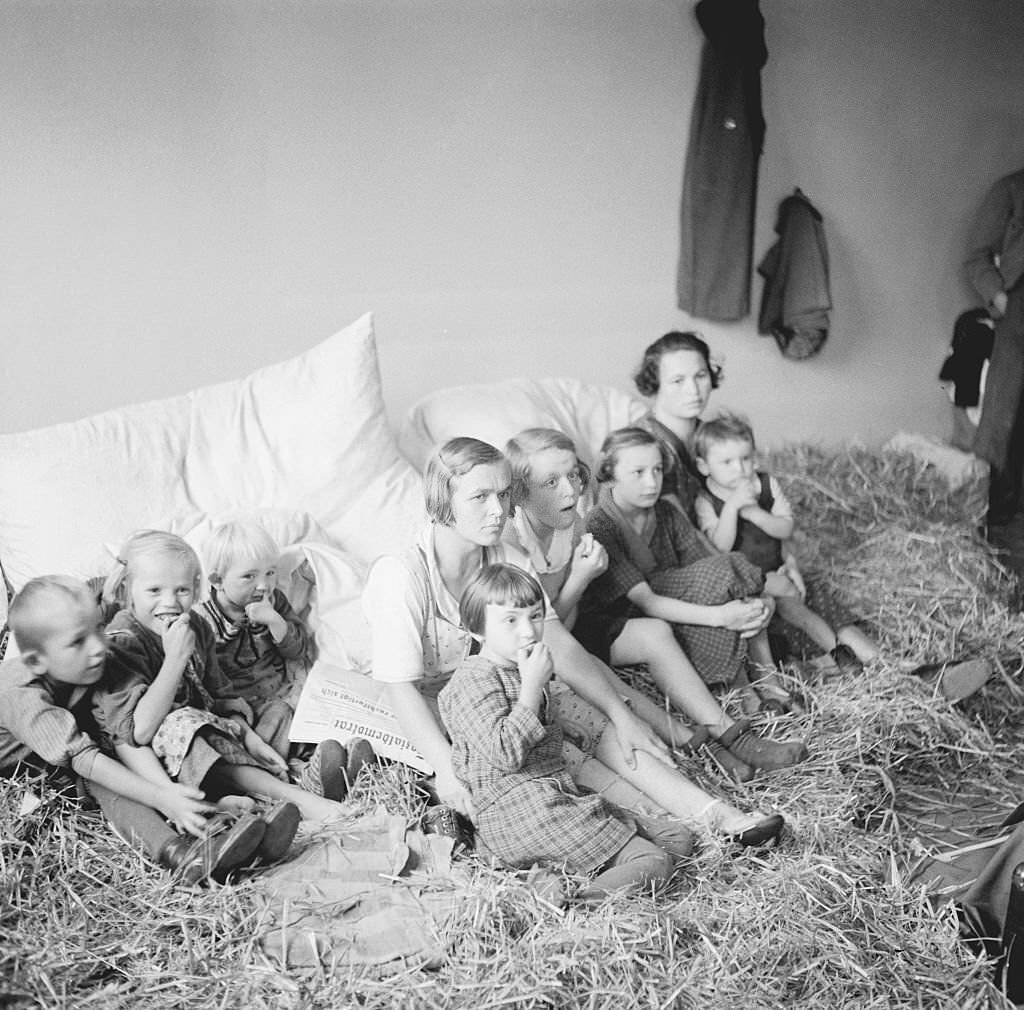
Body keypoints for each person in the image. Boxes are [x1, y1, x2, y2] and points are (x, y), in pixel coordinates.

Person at [362, 436, 796, 835]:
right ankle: (665, 828)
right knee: (555, 756)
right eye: (479, 497)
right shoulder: (401, 575)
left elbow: (558, 643)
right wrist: (445, 768)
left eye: (503, 494)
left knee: (591, 715)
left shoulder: (507, 556)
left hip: (505, 683)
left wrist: (621, 715)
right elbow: (400, 690)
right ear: (443, 501)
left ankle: (721, 817)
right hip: (441, 706)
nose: (498, 510)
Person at [438, 564, 784, 902]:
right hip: (521, 815)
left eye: (535, 616)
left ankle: (556, 878)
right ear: (476, 630)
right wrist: (531, 690)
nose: (528, 631)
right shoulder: (473, 680)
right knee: (654, 861)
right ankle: (573, 903)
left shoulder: (521, 671)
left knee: (677, 838)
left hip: (554, 799)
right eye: (510, 620)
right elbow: (504, 755)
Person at [503, 426, 801, 778]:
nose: (569, 490)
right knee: (650, 635)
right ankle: (704, 742)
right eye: (551, 482)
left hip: (580, 625)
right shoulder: (514, 543)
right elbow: (550, 634)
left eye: (572, 475)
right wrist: (581, 578)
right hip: (538, 647)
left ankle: (728, 731)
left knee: (657, 630)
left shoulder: (574, 522)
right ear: (520, 492)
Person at [0, 576, 272, 885]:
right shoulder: (18, 694)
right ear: (37, 660)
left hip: (68, 751)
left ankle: (206, 809)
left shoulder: (86, 666)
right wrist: (160, 797)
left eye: (98, 629)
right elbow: (85, 759)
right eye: (78, 641)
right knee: (103, 780)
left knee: (132, 737)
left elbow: (126, 734)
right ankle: (178, 853)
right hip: (32, 769)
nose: (98, 647)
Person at [92, 530, 347, 824]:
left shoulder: (196, 626)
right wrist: (175, 659)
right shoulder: (122, 641)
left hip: (208, 731)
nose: (170, 602)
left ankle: (294, 780)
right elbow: (138, 733)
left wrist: (251, 740)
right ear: (126, 590)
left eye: (182, 590)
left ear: (195, 587)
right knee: (184, 724)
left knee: (271, 714)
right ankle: (292, 796)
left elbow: (218, 696)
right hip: (160, 755)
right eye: (154, 591)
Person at [693, 413, 867, 678]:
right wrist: (732, 508)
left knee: (797, 608)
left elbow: (785, 528)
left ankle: (839, 653)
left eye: (746, 459)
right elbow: (720, 549)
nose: (740, 469)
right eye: (727, 462)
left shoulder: (765, 483)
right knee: (764, 624)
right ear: (704, 467)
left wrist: (753, 513)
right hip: (743, 584)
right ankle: (800, 669)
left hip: (778, 570)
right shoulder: (705, 500)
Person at [964, 167, 1024, 529]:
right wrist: (1002, 301)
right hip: (1018, 313)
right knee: (1004, 414)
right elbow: (976, 257)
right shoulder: (1012, 189)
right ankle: (988, 520)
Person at [632, 331, 721, 519]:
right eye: (678, 380)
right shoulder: (638, 446)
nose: (693, 390)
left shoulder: (712, 436)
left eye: (701, 375)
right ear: (655, 384)